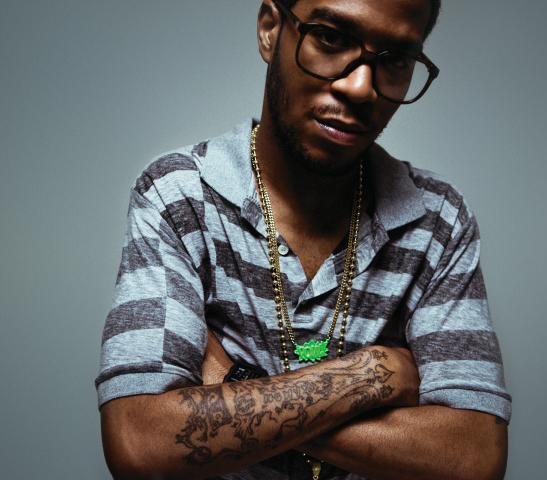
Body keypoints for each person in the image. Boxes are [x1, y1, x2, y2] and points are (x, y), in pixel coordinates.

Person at [96, 0, 511, 479]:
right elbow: (138, 440)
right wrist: (373, 374)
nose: (360, 87)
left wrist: (233, 383)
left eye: (395, 60)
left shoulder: (438, 218)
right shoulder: (179, 196)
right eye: (331, 38)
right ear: (270, 29)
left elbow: (474, 455)